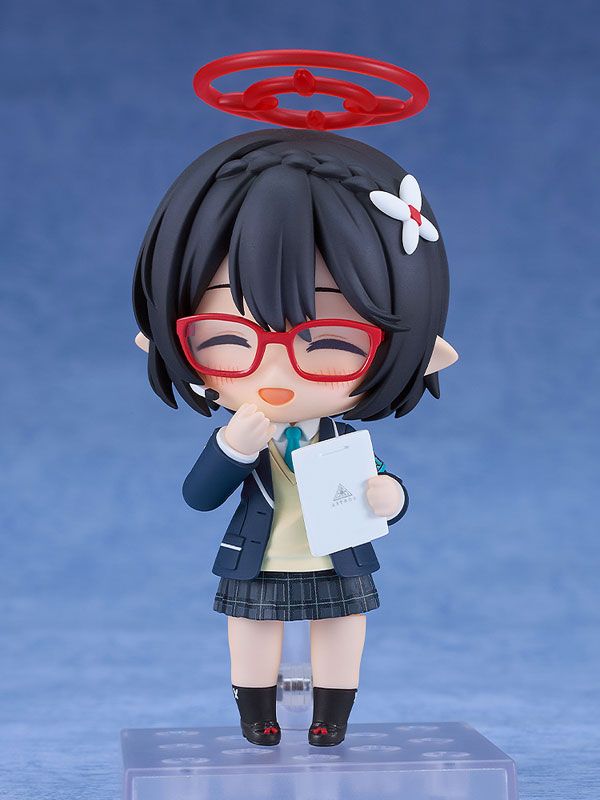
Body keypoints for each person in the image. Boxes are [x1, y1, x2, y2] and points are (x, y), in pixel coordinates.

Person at [132, 128, 458, 746]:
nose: (275, 376)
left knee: (343, 630)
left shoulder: (340, 438)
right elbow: (199, 496)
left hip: (338, 558)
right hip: (257, 559)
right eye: (227, 340)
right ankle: (257, 713)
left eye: (330, 343)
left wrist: (389, 495)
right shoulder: (242, 432)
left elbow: (379, 485)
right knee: (252, 634)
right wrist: (234, 449)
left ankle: (331, 716)